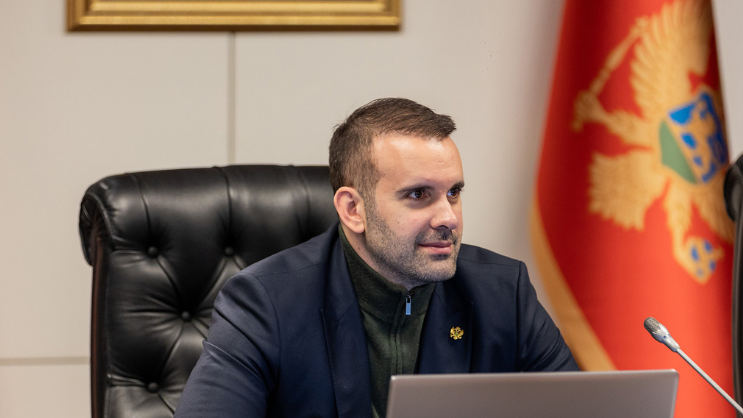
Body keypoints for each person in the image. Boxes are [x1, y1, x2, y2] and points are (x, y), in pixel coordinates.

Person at [174, 98, 579, 418]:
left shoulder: (503, 291)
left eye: (453, 193)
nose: (449, 218)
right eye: (418, 194)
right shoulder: (265, 303)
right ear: (353, 209)